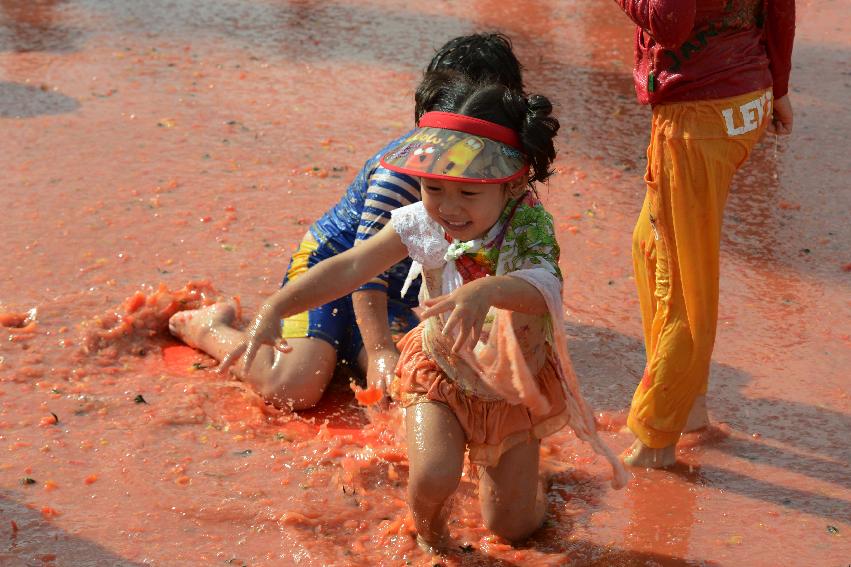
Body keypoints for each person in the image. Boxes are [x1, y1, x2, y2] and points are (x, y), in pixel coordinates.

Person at [217, 72, 628, 550]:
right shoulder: (422, 220)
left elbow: (543, 288)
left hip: (512, 386)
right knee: (433, 477)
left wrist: (485, 291)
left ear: (512, 184)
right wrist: (276, 305)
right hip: (441, 371)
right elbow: (353, 265)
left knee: (512, 527)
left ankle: (530, 483)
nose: (448, 207)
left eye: (468, 193)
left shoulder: (528, 227)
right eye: (434, 188)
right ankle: (433, 543)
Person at [169, 33, 525, 410]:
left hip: (392, 291)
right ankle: (209, 328)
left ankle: (347, 344)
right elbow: (360, 268)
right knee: (292, 387)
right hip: (331, 268)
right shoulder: (402, 176)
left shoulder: (501, 181)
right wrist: (380, 350)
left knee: (411, 388)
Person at [615, 0, 796, 467]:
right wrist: (778, 88)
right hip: (745, 96)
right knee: (650, 246)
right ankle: (688, 405)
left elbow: (670, 23)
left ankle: (656, 437)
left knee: (679, 282)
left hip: (698, 112)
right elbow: (780, 9)